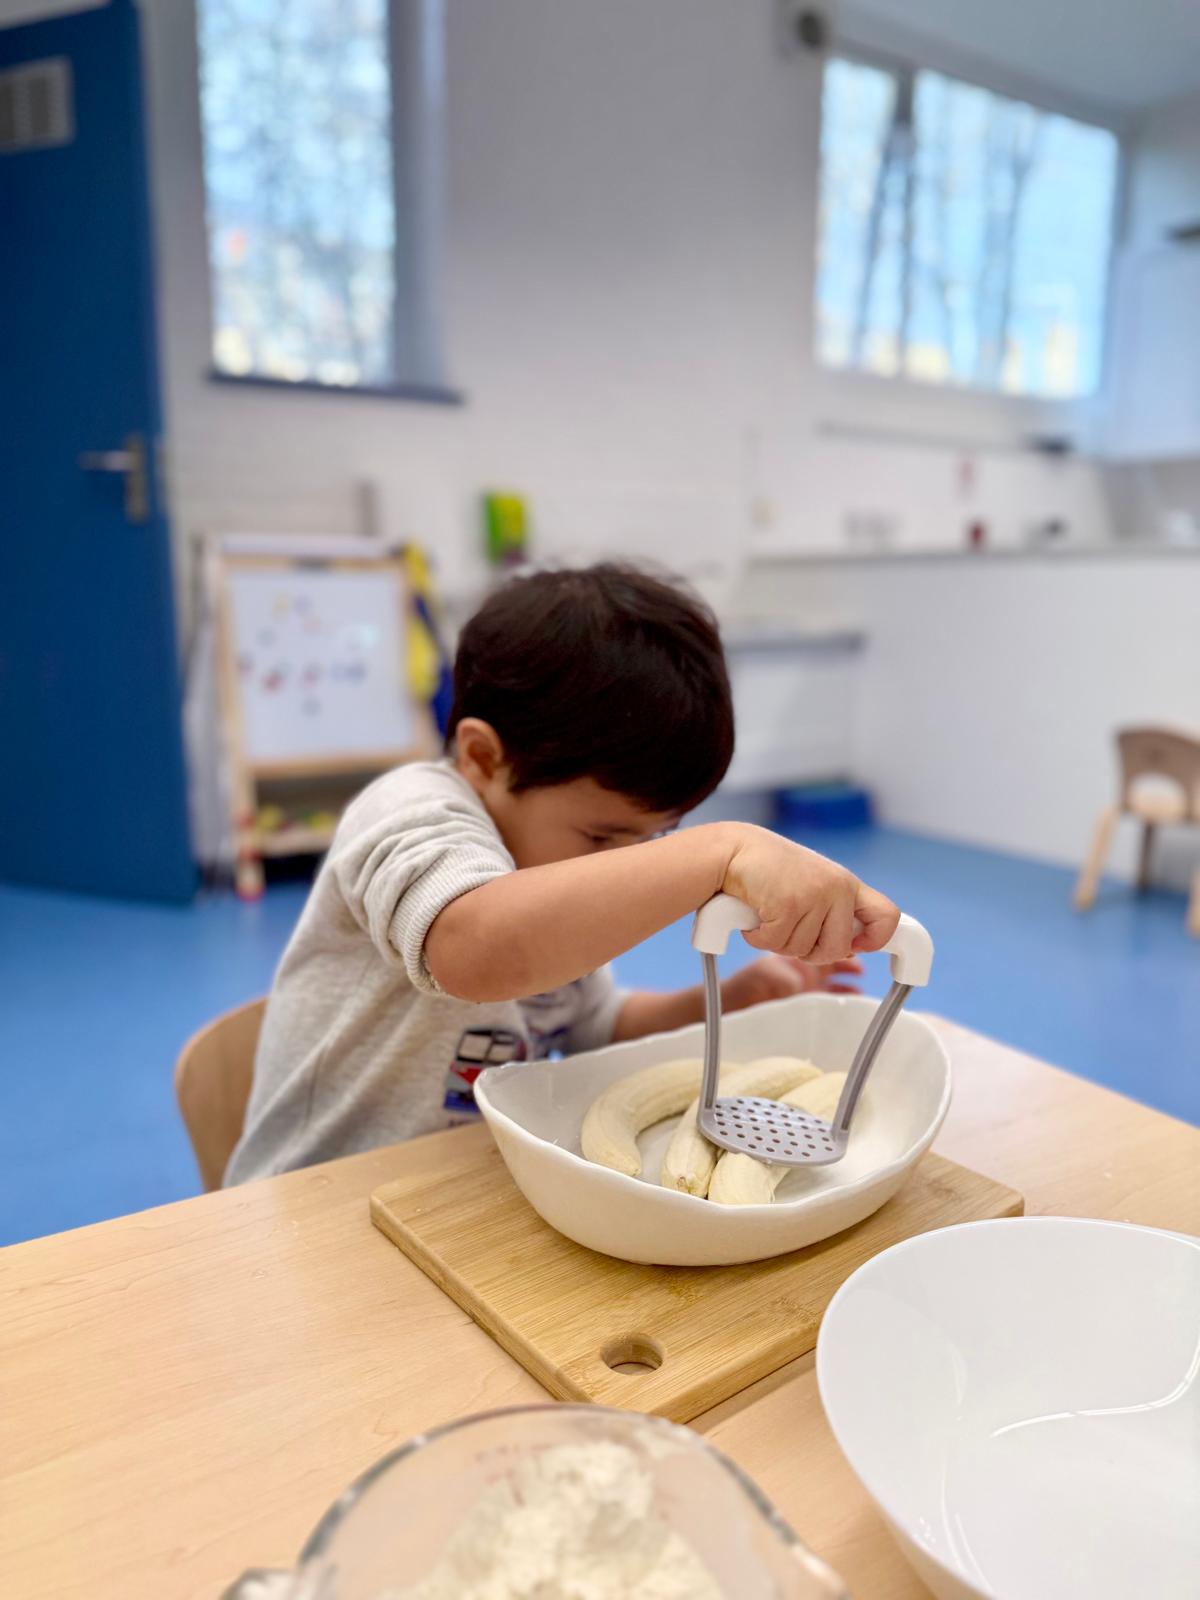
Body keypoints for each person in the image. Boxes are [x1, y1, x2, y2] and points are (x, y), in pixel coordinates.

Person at [224, 564, 898, 1184]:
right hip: (311, 1204)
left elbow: (588, 1023)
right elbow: (475, 952)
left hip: (457, 1194)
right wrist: (715, 850)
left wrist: (721, 1003)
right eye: (604, 836)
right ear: (484, 759)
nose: (627, 862)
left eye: (656, 837)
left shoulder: (557, 879)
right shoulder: (409, 811)